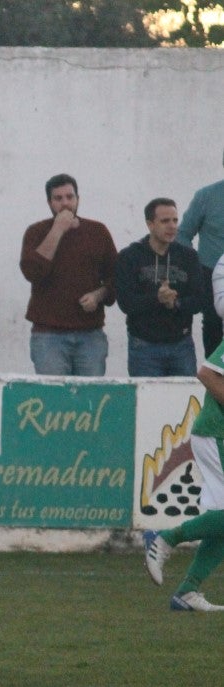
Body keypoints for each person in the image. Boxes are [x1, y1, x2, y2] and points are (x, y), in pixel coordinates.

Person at [143, 336, 224, 612]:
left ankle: (187, 592)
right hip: (218, 434)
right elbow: (206, 373)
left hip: (216, 435)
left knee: (222, 521)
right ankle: (165, 538)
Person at [19, 174, 118, 376]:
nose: (65, 203)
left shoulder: (97, 232)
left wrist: (99, 295)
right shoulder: (36, 232)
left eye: (70, 197)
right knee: (54, 400)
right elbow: (33, 272)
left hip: (90, 335)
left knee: (91, 399)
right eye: (58, 198)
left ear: (78, 199)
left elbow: (116, 277)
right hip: (48, 336)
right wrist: (57, 229)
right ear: (49, 202)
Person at [114, 198, 208, 377]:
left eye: (175, 220)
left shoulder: (188, 256)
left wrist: (175, 303)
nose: (172, 226)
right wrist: (157, 298)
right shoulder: (130, 257)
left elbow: (199, 300)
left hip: (181, 345)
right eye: (165, 221)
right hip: (143, 346)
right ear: (150, 224)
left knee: (184, 401)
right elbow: (126, 303)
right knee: (148, 403)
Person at [176, 150, 224, 356]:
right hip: (210, 271)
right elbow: (184, 234)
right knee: (212, 323)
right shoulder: (206, 196)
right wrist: (195, 263)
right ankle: (214, 376)